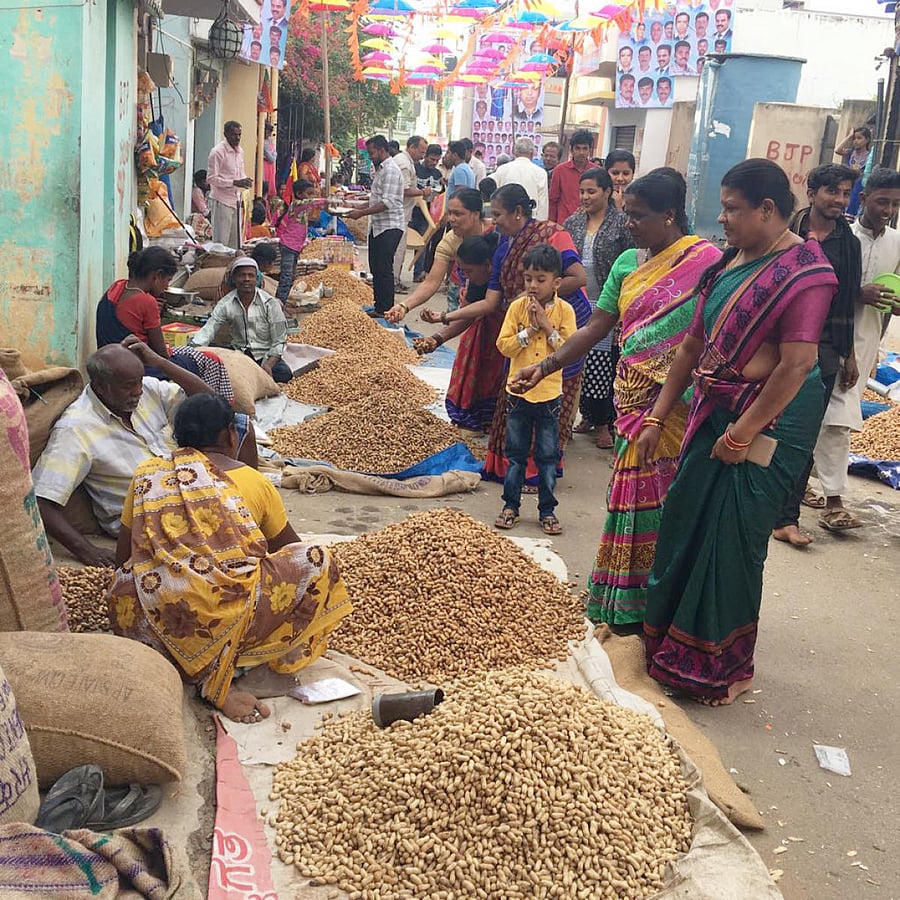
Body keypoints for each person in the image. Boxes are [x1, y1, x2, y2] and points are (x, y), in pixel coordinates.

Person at [637, 159, 837, 705]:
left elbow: (795, 366)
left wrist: (743, 435)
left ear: (767, 210)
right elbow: (691, 347)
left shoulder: (805, 273)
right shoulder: (726, 264)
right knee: (683, 519)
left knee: (734, 539)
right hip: (713, 408)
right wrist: (657, 415)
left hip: (772, 418)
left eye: (732, 209)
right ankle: (670, 646)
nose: (721, 218)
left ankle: (726, 665)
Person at [515, 170, 720, 626]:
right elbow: (595, 327)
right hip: (632, 402)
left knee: (671, 507)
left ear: (670, 216)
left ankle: (662, 606)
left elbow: (708, 340)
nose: (629, 224)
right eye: (627, 213)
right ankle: (620, 598)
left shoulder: (708, 263)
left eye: (638, 216)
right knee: (630, 500)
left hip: (679, 406)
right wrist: (545, 365)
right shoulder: (629, 262)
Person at [108, 394, 352, 724]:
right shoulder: (254, 480)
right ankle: (240, 666)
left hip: (157, 621)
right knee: (315, 559)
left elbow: (124, 555)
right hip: (229, 617)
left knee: (128, 578)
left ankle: (187, 663)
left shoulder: (147, 474)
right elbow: (286, 549)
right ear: (229, 435)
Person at [441, 185, 590, 484]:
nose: (494, 222)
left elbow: (578, 277)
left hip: (557, 326)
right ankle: (510, 468)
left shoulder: (552, 234)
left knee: (549, 402)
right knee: (516, 396)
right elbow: (492, 300)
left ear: (518, 212)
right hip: (524, 328)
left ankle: (539, 474)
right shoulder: (503, 246)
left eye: (498, 215)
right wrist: (444, 321)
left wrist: (538, 301)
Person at [33, 340, 226, 566]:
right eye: (128, 386)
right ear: (102, 387)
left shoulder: (148, 390)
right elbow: (42, 500)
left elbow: (214, 406)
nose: (138, 391)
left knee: (240, 429)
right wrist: (86, 550)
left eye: (139, 382)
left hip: (190, 496)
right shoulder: (76, 428)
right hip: (147, 521)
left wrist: (160, 362)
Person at [773, 164, 862, 546]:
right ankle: (760, 505)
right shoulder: (784, 231)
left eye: (845, 193)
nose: (840, 201)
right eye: (833, 192)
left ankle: (786, 518)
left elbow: (848, 300)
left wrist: (850, 355)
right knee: (766, 425)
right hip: (777, 344)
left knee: (803, 435)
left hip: (824, 350)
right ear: (812, 193)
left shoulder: (849, 244)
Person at [812, 167, 900, 529]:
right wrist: (857, 294)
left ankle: (800, 482)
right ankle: (835, 501)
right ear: (863, 199)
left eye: (895, 204)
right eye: (882, 201)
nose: (888, 210)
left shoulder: (896, 242)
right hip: (832, 339)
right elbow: (825, 286)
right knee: (839, 419)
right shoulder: (845, 238)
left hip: (867, 342)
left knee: (827, 415)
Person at [496, 245, 577, 535]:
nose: (533, 285)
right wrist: (528, 331)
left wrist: (545, 325)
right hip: (518, 393)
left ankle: (547, 511)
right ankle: (510, 506)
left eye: (540, 279)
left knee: (546, 456)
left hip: (549, 395)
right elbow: (503, 346)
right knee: (516, 454)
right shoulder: (517, 308)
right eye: (528, 278)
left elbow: (569, 349)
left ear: (556, 282)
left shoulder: (565, 311)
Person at [564, 169, 633, 451]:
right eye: (582, 191)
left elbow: (630, 263)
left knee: (601, 365)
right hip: (577, 301)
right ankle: (586, 416)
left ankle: (603, 422)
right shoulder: (573, 222)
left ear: (607, 192)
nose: (585, 197)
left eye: (591, 191)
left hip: (606, 301)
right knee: (576, 359)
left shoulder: (622, 224)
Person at [415, 234, 506, 432]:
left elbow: (488, 306)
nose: (467, 276)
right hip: (486, 336)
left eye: (469, 271)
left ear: (488, 265)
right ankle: (478, 418)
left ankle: (496, 421)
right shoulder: (476, 281)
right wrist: (436, 339)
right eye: (462, 271)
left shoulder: (503, 276)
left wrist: (443, 317)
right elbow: (467, 315)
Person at [385, 188, 489, 324]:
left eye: (457, 214)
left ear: (475, 214)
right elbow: (431, 282)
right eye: (449, 213)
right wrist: (404, 306)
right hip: (467, 297)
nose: (451, 219)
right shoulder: (449, 242)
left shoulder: (496, 234)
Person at [190, 257, 291, 383]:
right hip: (239, 356)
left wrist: (269, 364)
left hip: (264, 356)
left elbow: (279, 340)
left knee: (284, 374)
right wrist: (193, 349)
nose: (246, 279)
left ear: (257, 279)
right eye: (242, 275)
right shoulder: (226, 303)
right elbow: (210, 328)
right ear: (234, 279)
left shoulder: (270, 303)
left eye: (251, 275)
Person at [344, 135, 406, 316]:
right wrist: (352, 206)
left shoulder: (391, 170)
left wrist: (360, 213)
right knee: (376, 268)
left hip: (390, 226)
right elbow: (374, 199)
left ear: (381, 150)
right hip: (378, 227)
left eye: (371, 153)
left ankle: (387, 310)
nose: (369, 156)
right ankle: (380, 307)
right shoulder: (380, 169)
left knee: (384, 269)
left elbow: (387, 203)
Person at [275, 179, 328, 302]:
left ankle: (282, 301)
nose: (312, 196)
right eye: (309, 193)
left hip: (295, 246)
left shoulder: (303, 209)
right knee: (286, 277)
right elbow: (311, 202)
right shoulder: (296, 205)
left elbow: (315, 204)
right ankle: (278, 304)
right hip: (288, 245)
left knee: (291, 276)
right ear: (299, 194)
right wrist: (327, 200)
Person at [393, 136, 433, 294]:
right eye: (421, 152)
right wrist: (422, 192)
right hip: (398, 214)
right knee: (397, 249)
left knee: (400, 249)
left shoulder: (408, 162)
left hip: (403, 213)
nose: (423, 156)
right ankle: (393, 280)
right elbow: (404, 189)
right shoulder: (403, 163)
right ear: (411, 147)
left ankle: (396, 279)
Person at [207, 121, 252, 248]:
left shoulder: (240, 151)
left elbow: (239, 174)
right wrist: (234, 183)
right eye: (234, 135)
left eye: (239, 135)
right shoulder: (217, 152)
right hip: (222, 201)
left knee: (234, 242)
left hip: (236, 200)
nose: (237, 138)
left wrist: (245, 181)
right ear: (226, 134)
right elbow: (211, 178)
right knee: (221, 243)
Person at [494, 138, 549, 221]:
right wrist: (541, 224)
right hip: (530, 220)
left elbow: (496, 197)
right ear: (532, 153)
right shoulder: (540, 173)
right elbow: (543, 204)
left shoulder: (502, 170)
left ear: (515, 152)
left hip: (506, 218)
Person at [549, 129, 595, 224]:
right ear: (571, 150)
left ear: (590, 150)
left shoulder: (597, 171)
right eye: (577, 148)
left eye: (585, 148)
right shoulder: (559, 170)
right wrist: (552, 225)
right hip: (564, 225)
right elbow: (553, 201)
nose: (581, 152)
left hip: (590, 224)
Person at [836, 125, 873, 219]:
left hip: (860, 188)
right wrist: (849, 136)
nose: (855, 141)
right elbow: (837, 150)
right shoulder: (851, 153)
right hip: (848, 186)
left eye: (859, 138)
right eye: (854, 138)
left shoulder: (869, 156)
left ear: (867, 140)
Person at [263, 123, 277, 199]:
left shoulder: (270, 140)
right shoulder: (264, 142)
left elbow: (275, 152)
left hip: (270, 166)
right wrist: (273, 155)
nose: (268, 134)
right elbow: (271, 158)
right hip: (265, 165)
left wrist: (273, 155)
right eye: (267, 132)